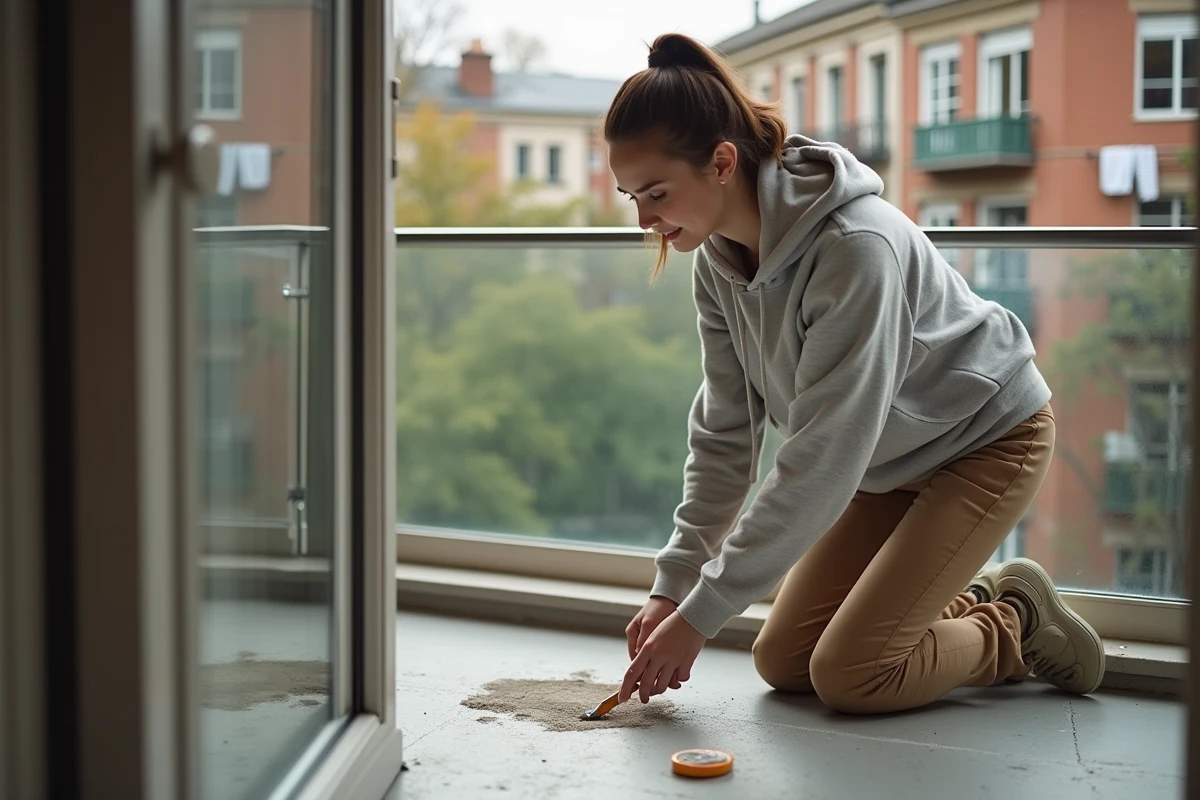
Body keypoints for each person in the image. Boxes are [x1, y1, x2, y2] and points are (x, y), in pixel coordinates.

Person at [606, 33, 1105, 715]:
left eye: (656, 193)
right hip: (883, 461)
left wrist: (698, 620)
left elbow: (820, 458)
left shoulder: (853, 248)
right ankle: (964, 600)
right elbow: (726, 439)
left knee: (854, 675)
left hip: (986, 441)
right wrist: (674, 587)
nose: (645, 218)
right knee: (784, 662)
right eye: (631, 196)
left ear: (721, 162)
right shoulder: (718, 264)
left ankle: (1012, 623)